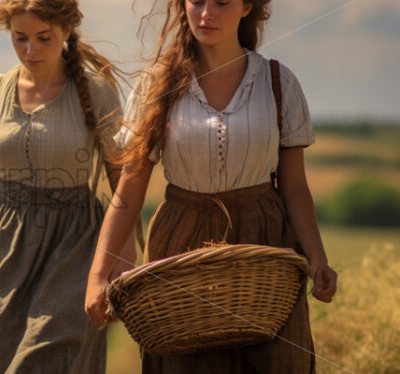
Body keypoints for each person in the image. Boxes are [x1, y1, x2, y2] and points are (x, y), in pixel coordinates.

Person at [84, 0, 338, 373]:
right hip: (181, 248)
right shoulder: (159, 84)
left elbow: (295, 188)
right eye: (197, 1)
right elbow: (130, 188)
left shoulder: (278, 83)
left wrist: (318, 259)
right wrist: (97, 276)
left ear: (247, 6)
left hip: (263, 244)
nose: (206, 14)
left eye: (221, 3)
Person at [0, 0, 136, 372]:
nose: (30, 50)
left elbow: (123, 180)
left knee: (45, 361)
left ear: (66, 31)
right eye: (19, 38)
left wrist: (124, 258)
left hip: (75, 246)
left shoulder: (94, 90)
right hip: (3, 251)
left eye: (43, 38)